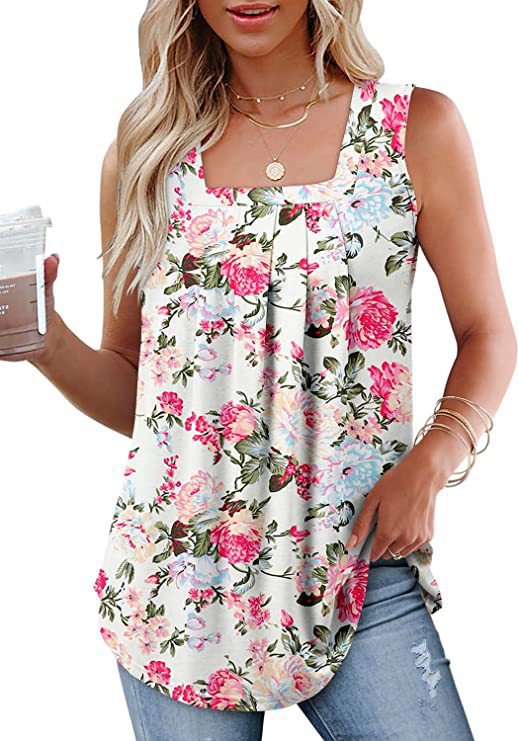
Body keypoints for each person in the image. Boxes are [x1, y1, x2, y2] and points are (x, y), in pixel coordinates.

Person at [4, 1, 516, 739]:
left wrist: (432, 461)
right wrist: (45, 341)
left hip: (358, 560)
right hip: (181, 580)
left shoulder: (412, 128)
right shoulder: (147, 152)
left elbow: (487, 332)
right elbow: (144, 395)